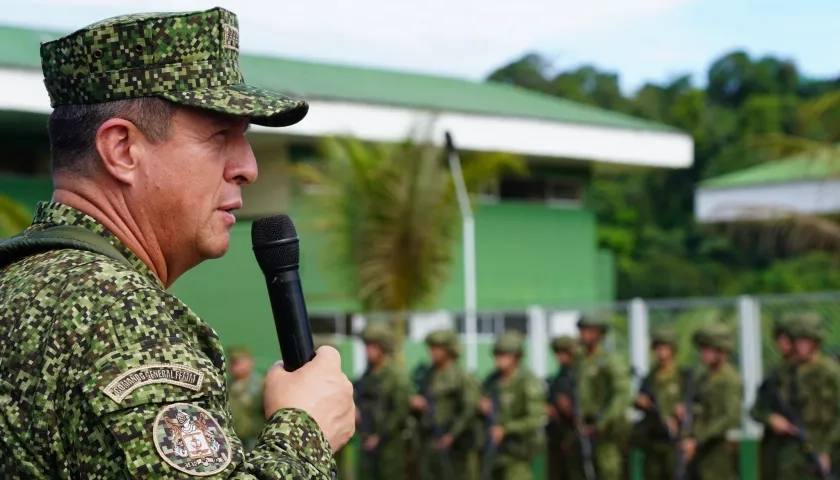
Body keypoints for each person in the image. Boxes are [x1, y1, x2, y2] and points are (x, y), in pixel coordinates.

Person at [0, 7, 354, 478]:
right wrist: (304, 428)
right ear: (123, 149)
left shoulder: (20, 283)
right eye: (219, 135)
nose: (248, 167)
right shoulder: (114, 311)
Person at [566, 314, 632, 480]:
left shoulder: (609, 360)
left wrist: (601, 422)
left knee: (607, 470)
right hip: (583, 427)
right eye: (582, 330)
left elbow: (622, 395)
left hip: (605, 430)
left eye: (589, 331)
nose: (584, 335)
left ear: (600, 335)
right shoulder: (580, 361)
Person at [410, 329, 481, 480]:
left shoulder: (461, 376)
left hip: (455, 444)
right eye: (431, 347)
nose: (432, 352)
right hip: (430, 441)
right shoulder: (428, 375)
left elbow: (468, 410)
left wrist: (452, 435)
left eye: (437, 348)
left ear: (448, 349)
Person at [479, 331, 547, 480]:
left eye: (504, 355)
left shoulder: (527, 381)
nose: (499, 360)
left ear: (516, 357)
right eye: (497, 355)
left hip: (518, 449)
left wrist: (506, 429)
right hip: (495, 449)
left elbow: (534, 418)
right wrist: (483, 406)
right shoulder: (492, 380)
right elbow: (482, 399)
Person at [779, 314, 840, 479]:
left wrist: (826, 449)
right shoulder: (787, 372)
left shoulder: (831, 372)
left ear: (816, 342)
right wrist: (771, 418)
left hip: (826, 444)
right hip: (792, 448)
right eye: (798, 341)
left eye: (806, 341)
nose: (801, 347)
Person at [680, 323, 742, 480]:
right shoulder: (702, 378)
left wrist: (697, 439)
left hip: (717, 450)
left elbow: (730, 416)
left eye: (708, 350)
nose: (703, 354)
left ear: (721, 351)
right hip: (697, 449)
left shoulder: (729, 379)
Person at [633, 326, 691, 480]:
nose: (661, 352)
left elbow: (692, 400)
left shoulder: (683, 376)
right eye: (658, 348)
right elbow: (639, 400)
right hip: (653, 438)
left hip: (676, 438)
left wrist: (682, 411)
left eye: (665, 347)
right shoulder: (650, 378)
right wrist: (641, 402)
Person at [355, 323, 412, 480]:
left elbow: (400, 410)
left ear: (383, 348)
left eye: (372, 346)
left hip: (389, 445)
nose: (368, 351)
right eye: (366, 346)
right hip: (366, 440)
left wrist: (380, 436)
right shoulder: (366, 376)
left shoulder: (395, 375)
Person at [749, 315, 797, 480]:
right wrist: (770, 418)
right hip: (776, 450)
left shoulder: (818, 373)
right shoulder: (774, 375)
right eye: (780, 338)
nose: (783, 343)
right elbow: (755, 410)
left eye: (787, 338)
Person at [545, 335, 579, 480]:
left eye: (564, 352)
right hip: (556, 433)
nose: (560, 357)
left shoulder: (580, 374)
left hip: (575, 433)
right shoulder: (560, 376)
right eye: (558, 353)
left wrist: (570, 408)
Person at [227, 346, 266, 452]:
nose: (234, 367)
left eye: (238, 362)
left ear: (250, 362)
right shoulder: (228, 387)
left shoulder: (260, 385)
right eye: (233, 363)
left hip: (254, 442)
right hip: (234, 441)